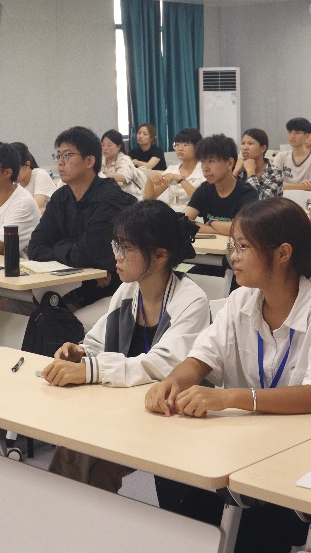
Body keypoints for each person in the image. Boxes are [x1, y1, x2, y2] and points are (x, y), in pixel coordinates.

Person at [144, 197, 311, 552]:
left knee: (248, 523)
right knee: (178, 477)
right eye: (233, 246)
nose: (234, 256)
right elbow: (200, 358)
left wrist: (229, 397)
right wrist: (172, 382)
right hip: (253, 443)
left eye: (243, 247)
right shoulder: (240, 301)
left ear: (283, 253)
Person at [43, 201, 210, 491]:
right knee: (74, 445)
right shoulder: (128, 290)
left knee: (89, 456)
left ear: (160, 255)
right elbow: (98, 341)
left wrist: (91, 370)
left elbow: (161, 365)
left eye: (127, 248)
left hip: (173, 414)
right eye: (116, 245)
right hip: (128, 407)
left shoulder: (191, 300)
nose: (116, 256)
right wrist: (81, 353)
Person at [28, 126, 137, 309]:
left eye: (67, 155)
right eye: (58, 156)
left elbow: (89, 254)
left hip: (111, 295)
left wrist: (58, 246)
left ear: (89, 161)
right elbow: (36, 248)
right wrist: (72, 248)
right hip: (67, 288)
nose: (60, 162)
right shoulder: (60, 197)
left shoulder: (111, 200)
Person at [184, 134, 259, 235]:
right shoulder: (204, 189)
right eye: (202, 161)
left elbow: (244, 229)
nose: (205, 168)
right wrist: (219, 229)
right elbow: (183, 221)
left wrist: (211, 222)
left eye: (211, 161)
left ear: (230, 163)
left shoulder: (248, 193)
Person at [143, 127, 203, 205]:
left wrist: (180, 179)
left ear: (197, 147)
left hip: (197, 212)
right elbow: (149, 199)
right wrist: (150, 178)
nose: (180, 148)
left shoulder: (203, 169)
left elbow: (201, 200)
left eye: (185, 145)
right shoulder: (172, 169)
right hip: (175, 211)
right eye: (177, 144)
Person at [275, 117, 311, 191]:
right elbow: (273, 184)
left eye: (297, 133)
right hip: (283, 197)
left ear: (306, 136)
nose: (292, 136)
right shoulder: (281, 156)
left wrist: (284, 185)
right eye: (290, 132)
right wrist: (302, 186)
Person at [236, 128, 282, 200]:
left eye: (250, 144)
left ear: (263, 148)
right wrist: (235, 172)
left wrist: (251, 173)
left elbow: (260, 202)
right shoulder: (240, 170)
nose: (245, 148)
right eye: (243, 143)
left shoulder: (274, 172)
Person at [100, 129, 144, 199]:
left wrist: (101, 177)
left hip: (130, 197)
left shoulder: (124, 159)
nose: (105, 148)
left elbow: (121, 177)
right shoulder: (102, 160)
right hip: (111, 196)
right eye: (103, 145)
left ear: (118, 147)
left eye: (109, 145)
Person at [11, 142, 54, 211]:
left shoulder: (40, 174)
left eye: (16, 169)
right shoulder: (13, 183)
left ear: (27, 165)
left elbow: (34, 208)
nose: (12, 173)